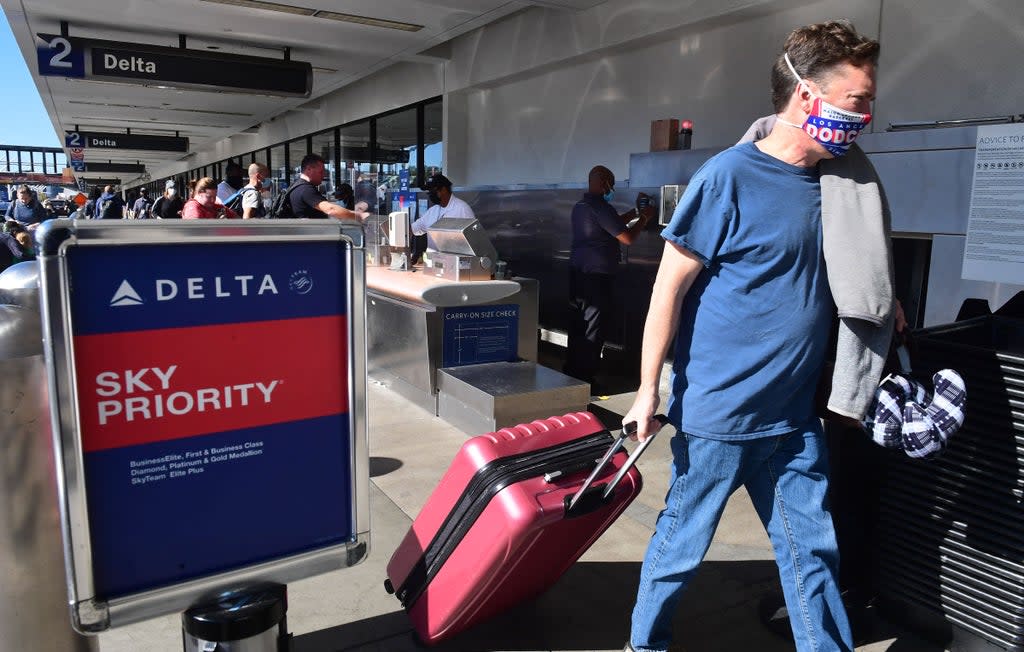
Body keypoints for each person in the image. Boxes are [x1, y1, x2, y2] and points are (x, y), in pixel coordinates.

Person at [621, 21, 885, 652]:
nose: (866, 118)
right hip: (719, 416)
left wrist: (885, 303)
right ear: (806, 97)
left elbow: (849, 272)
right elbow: (668, 289)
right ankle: (644, 646)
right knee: (680, 548)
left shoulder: (842, 185)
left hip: (792, 420)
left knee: (812, 558)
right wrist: (645, 389)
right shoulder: (728, 177)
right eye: (857, 102)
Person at [563, 165, 652, 389]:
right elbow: (627, 238)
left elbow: (611, 224)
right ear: (604, 183)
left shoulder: (582, 206)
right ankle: (586, 377)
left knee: (578, 324)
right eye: (611, 182)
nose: (612, 188)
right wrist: (644, 220)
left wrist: (634, 212)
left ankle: (572, 371)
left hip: (578, 274)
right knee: (593, 326)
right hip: (597, 278)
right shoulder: (600, 207)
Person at [285, 154, 370, 221]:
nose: (323, 175)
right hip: (309, 239)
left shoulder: (296, 186)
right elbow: (331, 209)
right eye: (321, 172)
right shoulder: (305, 189)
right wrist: (358, 216)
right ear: (309, 169)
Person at [410, 173, 475, 251]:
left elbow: (473, 239)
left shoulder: (462, 209)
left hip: (454, 261)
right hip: (433, 260)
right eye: (429, 191)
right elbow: (415, 228)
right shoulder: (432, 211)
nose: (430, 194)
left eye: (432, 191)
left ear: (443, 190)